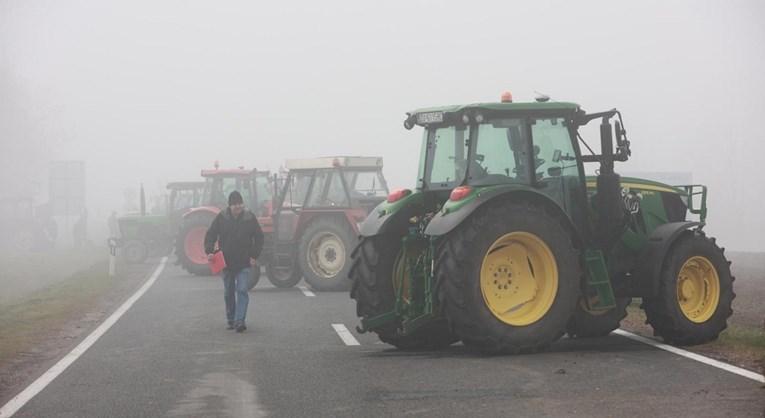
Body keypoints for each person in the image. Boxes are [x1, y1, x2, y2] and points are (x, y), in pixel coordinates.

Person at [204, 191, 264, 332]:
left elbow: (259, 237)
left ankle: (239, 321)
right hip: (227, 263)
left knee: (242, 290)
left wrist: (254, 255)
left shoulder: (249, 217)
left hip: (244, 262)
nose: (238, 206)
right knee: (228, 292)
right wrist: (210, 252)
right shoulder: (221, 218)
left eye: (240, 203)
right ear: (230, 206)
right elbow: (210, 234)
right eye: (235, 204)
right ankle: (231, 319)